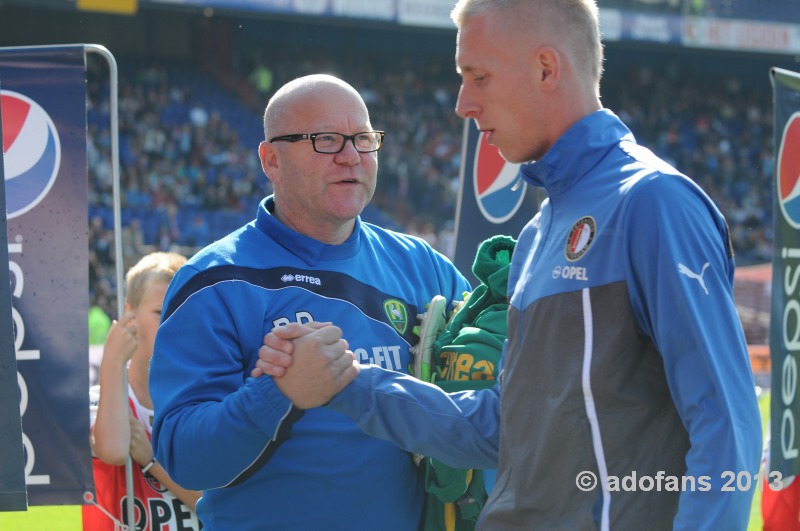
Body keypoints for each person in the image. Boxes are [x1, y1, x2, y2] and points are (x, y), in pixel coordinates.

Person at [256, 1, 763, 529]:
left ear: (546, 68)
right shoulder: (538, 233)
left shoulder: (654, 203)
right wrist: (347, 381)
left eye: (478, 77)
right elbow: (506, 425)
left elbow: (727, 431)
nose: (462, 104)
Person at [148, 74, 471, 530]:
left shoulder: (423, 268)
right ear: (271, 160)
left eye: (362, 138)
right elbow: (185, 460)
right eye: (325, 140)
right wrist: (278, 393)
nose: (351, 156)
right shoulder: (214, 280)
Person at [83, 251, 202, 531]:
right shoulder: (101, 399)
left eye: (183, 311)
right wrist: (112, 359)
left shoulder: (203, 403)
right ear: (130, 315)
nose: (173, 324)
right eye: (161, 312)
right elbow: (112, 450)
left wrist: (151, 459)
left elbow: (216, 504)